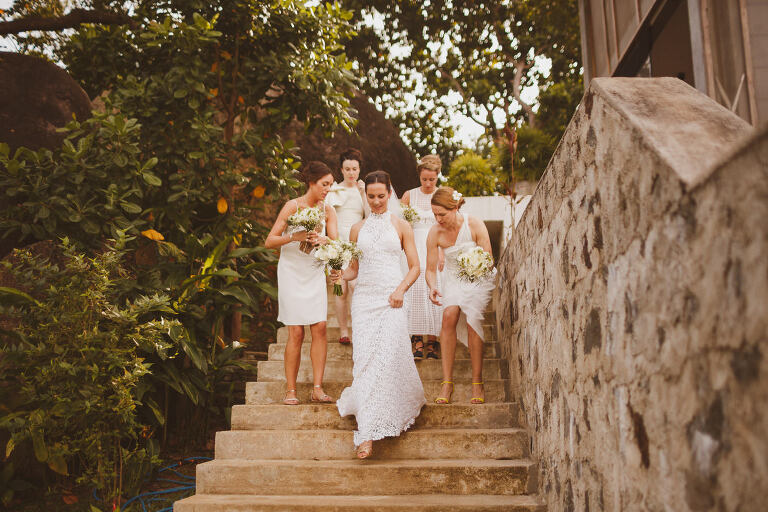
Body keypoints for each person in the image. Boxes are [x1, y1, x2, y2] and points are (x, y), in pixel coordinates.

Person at [334, 170, 425, 459]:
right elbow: (353, 270)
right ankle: (368, 426)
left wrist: (400, 290)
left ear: (389, 194)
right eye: (371, 196)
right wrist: (339, 274)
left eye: (380, 196)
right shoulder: (356, 230)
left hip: (392, 299)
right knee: (365, 362)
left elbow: (414, 266)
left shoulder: (401, 226)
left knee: (387, 356)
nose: (375, 202)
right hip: (363, 302)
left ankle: (370, 432)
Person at [265, 161, 339, 405]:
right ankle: (291, 390)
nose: (328, 189)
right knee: (296, 331)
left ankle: (317, 388)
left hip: (313, 270)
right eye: (324, 184)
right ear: (312, 182)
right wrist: (293, 237)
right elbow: (270, 241)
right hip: (291, 271)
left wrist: (323, 239)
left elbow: (336, 245)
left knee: (319, 327)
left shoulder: (328, 211)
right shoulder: (292, 206)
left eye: (330, 184)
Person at [425, 187, 496, 405]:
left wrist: (477, 269)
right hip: (453, 279)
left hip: (477, 277)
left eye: (442, 214)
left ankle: (477, 381)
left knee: (473, 319)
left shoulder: (474, 224)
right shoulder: (434, 233)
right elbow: (429, 269)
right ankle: (447, 382)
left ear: (455, 207)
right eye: (434, 214)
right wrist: (432, 286)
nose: (438, 219)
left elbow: (489, 259)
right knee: (449, 315)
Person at [400, 155, 444, 359]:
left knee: (435, 290)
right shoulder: (409, 196)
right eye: (424, 179)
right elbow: (399, 223)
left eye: (432, 180)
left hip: (436, 248)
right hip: (414, 246)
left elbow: (448, 226)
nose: (428, 183)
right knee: (416, 292)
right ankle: (416, 338)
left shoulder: (443, 195)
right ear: (419, 176)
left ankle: (434, 339)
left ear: (437, 177)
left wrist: (443, 252)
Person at [326, 149, 366, 345]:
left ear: (359, 169)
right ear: (341, 170)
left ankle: (358, 327)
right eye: (347, 169)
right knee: (340, 288)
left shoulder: (364, 191)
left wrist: (362, 193)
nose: (351, 173)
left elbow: (369, 214)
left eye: (355, 169)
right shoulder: (334, 191)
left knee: (355, 285)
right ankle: (344, 331)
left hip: (357, 242)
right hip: (338, 242)